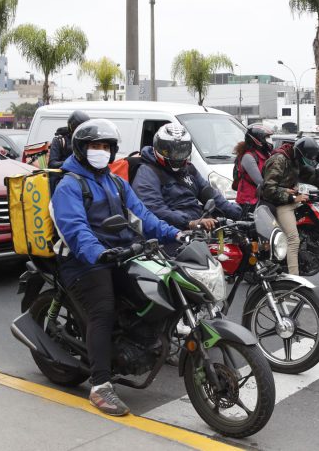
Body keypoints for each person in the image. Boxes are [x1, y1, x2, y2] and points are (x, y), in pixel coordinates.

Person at [51, 118, 182, 417]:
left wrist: (174, 232)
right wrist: (98, 253)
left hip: (119, 253)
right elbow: (75, 229)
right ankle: (100, 385)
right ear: (82, 150)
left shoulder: (117, 184)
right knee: (103, 310)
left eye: (106, 147)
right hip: (83, 260)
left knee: (157, 288)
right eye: (94, 146)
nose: (101, 151)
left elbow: (143, 217)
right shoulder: (69, 185)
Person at [261, 137, 319, 288]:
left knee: (318, 232)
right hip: (279, 203)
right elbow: (269, 190)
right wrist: (292, 196)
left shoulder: (297, 159)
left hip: (295, 199)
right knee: (293, 239)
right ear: (299, 153)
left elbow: (313, 176)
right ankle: (293, 284)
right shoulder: (279, 160)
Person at [131, 123, 242, 232]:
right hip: (169, 233)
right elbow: (155, 209)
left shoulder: (188, 169)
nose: (177, 155)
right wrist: (189, 222)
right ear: (159, 148)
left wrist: (240, 213)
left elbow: (211, 194)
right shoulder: (147, 172)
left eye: (181, 150)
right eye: (172, 151)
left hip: (198, 228)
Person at [234, 124, 273, 216]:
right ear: (257, 139)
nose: (269, 140)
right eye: (266, 137)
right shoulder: (248, 157)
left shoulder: (265, 155)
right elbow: (260, 182)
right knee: (273, 210)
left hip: (261, 198)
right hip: (249, 201)